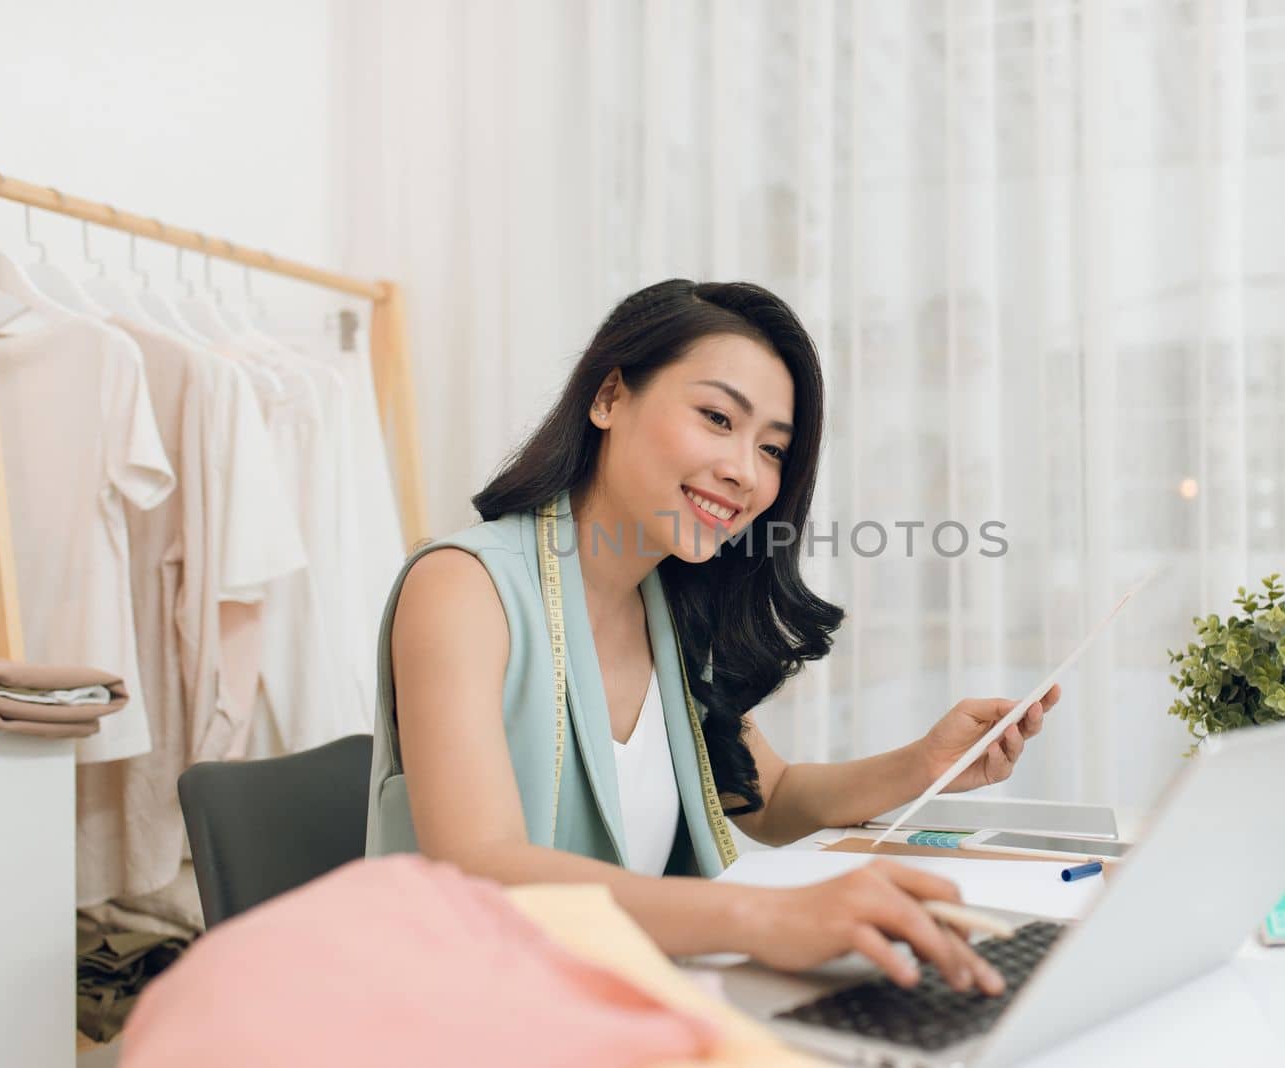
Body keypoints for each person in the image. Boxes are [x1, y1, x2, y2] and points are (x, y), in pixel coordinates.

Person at [371, 279, 1059, 997]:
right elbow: (482, 871)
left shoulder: (670, 608)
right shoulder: (463, 586)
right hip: (473, 1012)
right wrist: (763, 915)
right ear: (608, 397)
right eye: (717, 418)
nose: (744, 472)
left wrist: (927, 763)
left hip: (617, 1001)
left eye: (771, 450)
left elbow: (770, 798)